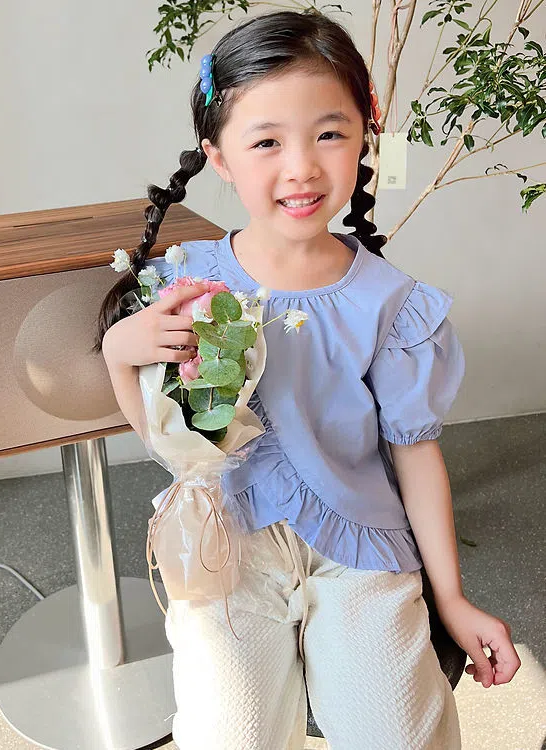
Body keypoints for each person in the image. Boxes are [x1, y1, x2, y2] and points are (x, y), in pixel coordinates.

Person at [94, 9, 521, 749]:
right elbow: (170, 444)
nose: (302, 168)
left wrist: (450, 598)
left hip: (362, 548)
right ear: (218, 157)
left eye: (329, 134)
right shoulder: (187, 283)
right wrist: (119, 353)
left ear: (365, 137)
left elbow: (417, 454)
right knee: (231, 737)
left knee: (401, 735)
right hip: (225, 544)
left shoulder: (391, 303)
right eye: (267, 141)